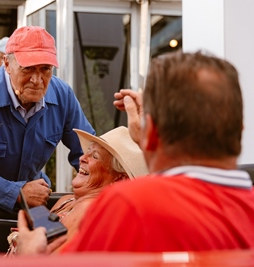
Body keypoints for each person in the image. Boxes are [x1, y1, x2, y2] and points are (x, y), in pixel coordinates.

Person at [16, 50, 254, 255]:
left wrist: (29, 259)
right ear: (240, 130)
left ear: (151, 135)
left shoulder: (130, 205)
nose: (83, 158)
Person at [0, 26, 95, 213]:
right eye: (28, 69)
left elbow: (90, 153)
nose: (37, 80)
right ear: (6, 64)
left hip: (33, 206)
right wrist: (16, 192)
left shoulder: (62, 95)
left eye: (45, 69)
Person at [6, 126, 148, 255]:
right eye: (87, 152)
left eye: (95, 156)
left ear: (120, 179)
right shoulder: (67, 200)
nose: (82, 158)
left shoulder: (91, 212)